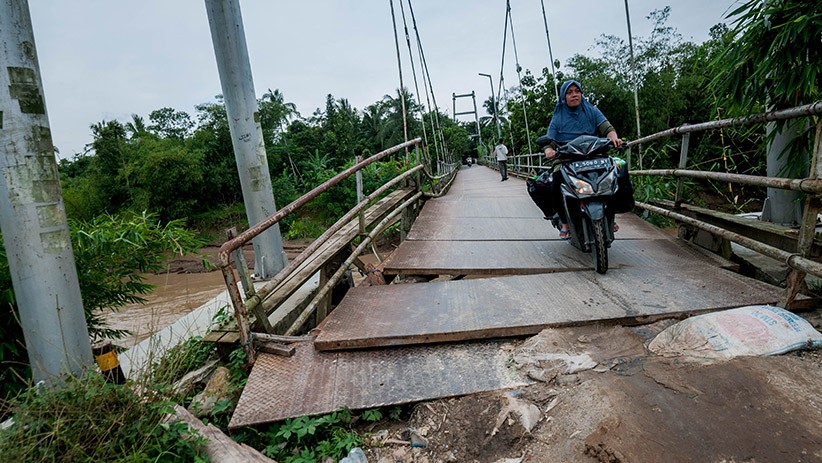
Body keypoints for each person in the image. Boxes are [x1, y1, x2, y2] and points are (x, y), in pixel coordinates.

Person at [543, 80, 622, 239]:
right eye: (569, 92)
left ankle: (610, 216)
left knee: (615, 175)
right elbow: (549, 141)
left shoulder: (591, 110)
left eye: (576, 91)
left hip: (595, 156)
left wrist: (614, 138)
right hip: (567, 160)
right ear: (564, 97)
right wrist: (549, 150)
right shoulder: (558, 117)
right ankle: (565, 222)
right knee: (556, 183)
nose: (574, 95)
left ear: (581, 93)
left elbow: (607, 129)